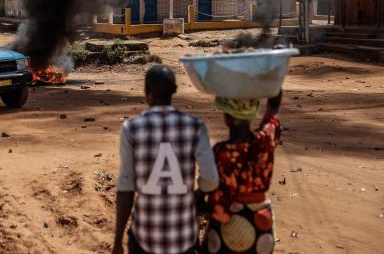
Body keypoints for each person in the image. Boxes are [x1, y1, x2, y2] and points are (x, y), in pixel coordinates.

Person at [112, 65, 219, 254]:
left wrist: (118, 241)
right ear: (174, 91)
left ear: (146, 92)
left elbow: (126, 188)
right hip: (184, 238)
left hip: (145, 237)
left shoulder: (132, 128)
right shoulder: (195, 127)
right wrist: (198, 194)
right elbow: (211, 179)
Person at [202, 91, 283, 254]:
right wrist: (274, 82)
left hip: (232, 223)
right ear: (252, 114)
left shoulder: (222, 152)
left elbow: (219, 196)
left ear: (227, 118)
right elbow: (273, 108)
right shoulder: (265, 139)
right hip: (262, 221)